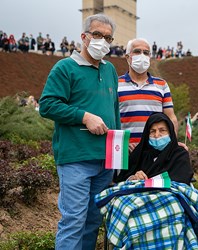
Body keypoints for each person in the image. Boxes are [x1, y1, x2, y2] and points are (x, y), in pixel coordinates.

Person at [39, 13, 120, 249]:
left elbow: (114, 111)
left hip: (105, 160)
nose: (102, 41)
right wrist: (83, 116)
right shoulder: (65, 68)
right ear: (84, 37)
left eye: (108, 37)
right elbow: (47, 105)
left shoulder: (110, 70)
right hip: (76, 158)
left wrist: (119, 146)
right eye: (97, 35)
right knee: (74, 220)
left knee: (93, 220)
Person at [118, 38, 179, 152]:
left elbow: (170, 117)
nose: (142, 55)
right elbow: (111, 119)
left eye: (146, 53)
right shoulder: (116, 84)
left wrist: (173, 146)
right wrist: (121, 142)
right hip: (126, 151)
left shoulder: (161, 85)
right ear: (127, 57)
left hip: (155, 150)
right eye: (137, 51)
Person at [115, 113, 193, 184]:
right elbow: (122, 179)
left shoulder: (179, 154)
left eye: (162, 130)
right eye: (152, 131)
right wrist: (133, 178)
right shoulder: (140, 154)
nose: (157, 135)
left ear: (170, 132)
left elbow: (182, 181)